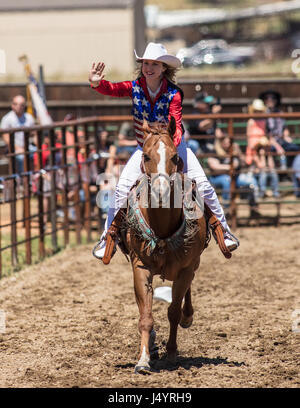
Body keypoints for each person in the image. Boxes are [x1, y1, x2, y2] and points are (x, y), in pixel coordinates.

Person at [89, 42, 239, 262]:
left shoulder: (173, 93)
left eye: (154, 64)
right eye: (145, 63)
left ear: (164, 68)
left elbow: (176, 124)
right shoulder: (134, 87)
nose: (148, 67)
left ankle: (223, 232)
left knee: (204, 185)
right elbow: (112, 89)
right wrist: (96, 83)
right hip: (145, 148)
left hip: (174, 146)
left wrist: (169, 147)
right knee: (121, 188)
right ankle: (107, 237)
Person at [207, 135, 260, 217]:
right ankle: (227, 208)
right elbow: (213, 166)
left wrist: (239, 153)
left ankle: (254, 208)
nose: (229, 144)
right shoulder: (215, 151)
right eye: (226, 142)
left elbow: (244, 163)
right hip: (217, 178)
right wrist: (230, 168)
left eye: (230, 142)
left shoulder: (234, 151)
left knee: (250, 181)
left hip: (235, 178)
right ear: (221, 143)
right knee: (227, 180)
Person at [259, 90, 299, 169]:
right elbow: (265, 134)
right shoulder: (263, 114)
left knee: (295, 148)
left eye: (273, 98)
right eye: (267, 98)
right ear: (265, 101)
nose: (270, 100)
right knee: (275, 150)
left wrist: (286, 136)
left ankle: (291, 170)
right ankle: (282, 172)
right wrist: (277, 146)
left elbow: (284, 128)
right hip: (270, 142)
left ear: (276, 100)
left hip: (281, 140)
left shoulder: (280, 113)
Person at [0, 95, 36, 174]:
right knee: (22, 157)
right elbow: (5, 137)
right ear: (12, 105)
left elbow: (34, 134)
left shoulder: (29, 118)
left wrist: (38, 144)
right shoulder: (7, 119)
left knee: (41, 152)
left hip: (28, 147)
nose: (18, 107)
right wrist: (18, 148)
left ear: (24, 106)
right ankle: (23, 181)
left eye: (21, 104)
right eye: (16, 104)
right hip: (13, 149)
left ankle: (38, 178)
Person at [245, 99, 268, 167]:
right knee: (254, 154)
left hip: (261, 142)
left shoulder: (264, 121)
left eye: (259, 111)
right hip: (253, 143)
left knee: (262, 152)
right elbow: (248, 134)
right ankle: (260, 165)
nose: (258, 113)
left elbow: (265, 132)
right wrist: (250, 144)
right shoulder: (251, 121)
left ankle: (262, 166)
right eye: (256, 111)